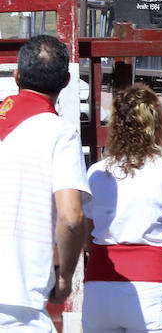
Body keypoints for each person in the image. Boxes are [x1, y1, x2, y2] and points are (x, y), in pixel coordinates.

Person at [85, 84, 162, 333]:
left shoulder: (96, 173)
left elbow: (87, 237)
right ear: (156, 125)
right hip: (151, 286)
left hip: (99, 285)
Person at [0, 35, 88, 332]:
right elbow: (72, 217)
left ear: (17, 76)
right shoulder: (59, 133)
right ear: (65, 81)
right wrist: (65, 276)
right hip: (18, 299)